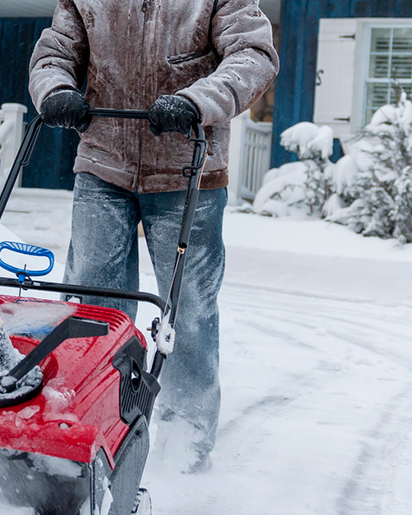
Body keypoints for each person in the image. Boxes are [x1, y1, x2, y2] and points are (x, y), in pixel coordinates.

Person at [28, 0, 278, 473]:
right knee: (92, 309)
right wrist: (55, 89)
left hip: (189, 172)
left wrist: (195, 101)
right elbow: (55, 52)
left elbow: (253, 54)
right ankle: (92, 430)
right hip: (103, 163)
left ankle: (184, 451)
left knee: (189, 317)